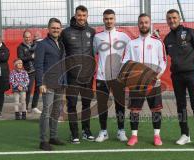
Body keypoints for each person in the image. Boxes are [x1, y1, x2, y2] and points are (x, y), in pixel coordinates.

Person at [164, 9, 194, 148]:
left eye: (174, 18)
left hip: (192, 74)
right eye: (169, 18)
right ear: (167, 21)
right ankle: (185, 134)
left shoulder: (190, 32)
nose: (172, 20)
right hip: (177, 76)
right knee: (180, 106)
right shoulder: (167, 39)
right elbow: (161, 57)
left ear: (179, 19)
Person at [122, 13, 167, 146]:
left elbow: (163, 62)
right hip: (136, 83)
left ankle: (157, 136)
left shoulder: (158, 42)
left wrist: (156, 76)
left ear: (150, 23)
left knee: (156, 109)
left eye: (146, 22)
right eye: (141, 22)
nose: (143, 25)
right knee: (134, 110)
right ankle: (134, 136)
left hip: (154, 82)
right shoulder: (131, 43)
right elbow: (125, 61)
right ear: (138, 24)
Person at [93, 9, 131, 142]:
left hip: (118, 77)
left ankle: (121, 131)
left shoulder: (124, 36)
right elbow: (94, 53)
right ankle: (103, 131)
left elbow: (131, 52)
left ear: (115, 19)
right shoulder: (97, 37)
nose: (109, 21)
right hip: (102, 77)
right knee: (102, 105)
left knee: (119, 104)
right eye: (106, 19)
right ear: (103, 20)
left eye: (111, 18)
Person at [61, 5, 96, 144]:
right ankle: (74, 133)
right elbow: (60, 52)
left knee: (87, 105)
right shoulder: (66, 32)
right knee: (72, 105)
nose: (81, 18)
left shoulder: (92, 32)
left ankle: (86, 131)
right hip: (72, 76)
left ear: (87, 16)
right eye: (79, 15)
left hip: (87, 76)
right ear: (75, 16)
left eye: (84, 15)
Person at [35, 18, 66, 151]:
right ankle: (43, 141)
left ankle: (53, 137)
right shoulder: (42, 44)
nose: (56, 30)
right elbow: (38, 65)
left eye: (58, 28)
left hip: (60, 83)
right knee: (46, 112)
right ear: (48, 29)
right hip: (47, 83)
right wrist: (40, 82)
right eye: (53, 28)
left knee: (56, 111)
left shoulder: (62, 44)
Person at [17, 30, 41, 114]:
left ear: (31, 37)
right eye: (26, 37)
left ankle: (34, 106)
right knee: (28, 89)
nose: (27, 39)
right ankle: (25, 108)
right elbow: (21, 58)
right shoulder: (20, 47)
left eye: (29, 37)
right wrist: (31, 56)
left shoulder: (35, 45)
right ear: (23, 37)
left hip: (38, 69)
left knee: (38, 88)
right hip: (29, 71)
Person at [0, 34, 10, 119]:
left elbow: (5, 58)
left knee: (1, 94)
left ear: (0, 40)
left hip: (1, 75)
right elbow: (1, 58)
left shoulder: (5, 49)